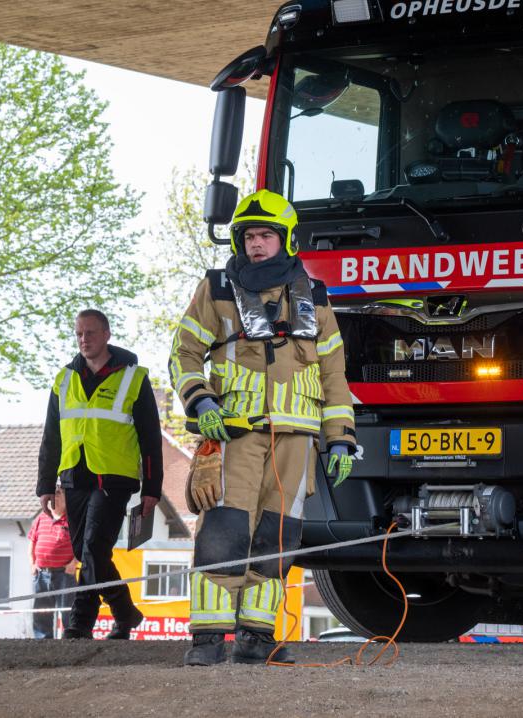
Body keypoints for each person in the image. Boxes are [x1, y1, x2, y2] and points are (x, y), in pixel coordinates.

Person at [170, 190, 356, 666]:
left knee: (277, 538)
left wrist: (340, 439)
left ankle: (256, 637)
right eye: (249, 236)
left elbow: (334, 374)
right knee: (224, 531)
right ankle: (207, 640)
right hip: (234, 431)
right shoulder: (216, 289)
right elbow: (184, 353)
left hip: (297, 440)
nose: (255, 244)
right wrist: (201, 400)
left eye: (265, 236)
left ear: (286, 240)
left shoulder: (315, 298)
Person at [36, 309, 163, 639]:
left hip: (114, 478)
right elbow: (51, 436)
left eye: (90, 332)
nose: (84, 339)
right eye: (79, 333)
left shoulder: (133, 378)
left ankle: (79, 624)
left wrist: (153, 488)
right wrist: (45, 484)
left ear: (107, 334)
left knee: (93, 548)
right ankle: (125, 612)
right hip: (74, 477)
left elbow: (151, 436)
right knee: (87, 554)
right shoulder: (64, 379)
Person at [28, 485, 78, 639]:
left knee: (68, 612)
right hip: (41, 574)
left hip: (64, 574)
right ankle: (43, 641)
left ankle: (70, 641)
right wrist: (32, 564)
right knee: (41, 612)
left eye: (59, 493)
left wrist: (74, 563)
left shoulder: (73, 520)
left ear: (67, 498)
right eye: (53, 493)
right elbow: (32, 542)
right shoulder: (41, 517)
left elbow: (82, 545)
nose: (54, 496)